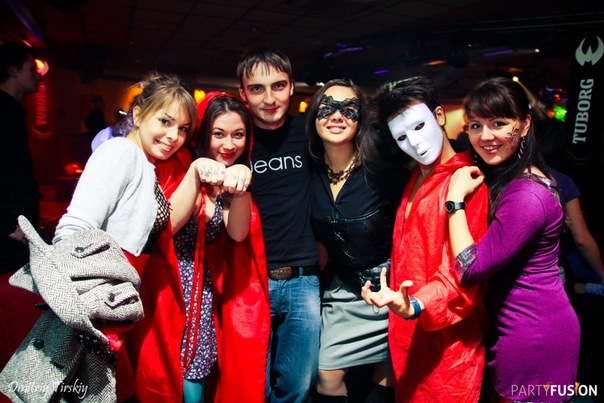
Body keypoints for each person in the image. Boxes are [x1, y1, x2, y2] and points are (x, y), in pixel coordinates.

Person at [53, 72, 199, 401]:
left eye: (183, 128)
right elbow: (75, 227)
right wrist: (78, 307)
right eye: (165, 121)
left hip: (116, 301)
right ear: (138, 115)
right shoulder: (120, 152)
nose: (174, 136)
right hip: (96, 302)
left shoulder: (144, 163)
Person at [127, 91, 270, 402]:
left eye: (238, 135)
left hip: (201, 299)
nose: (229, 144)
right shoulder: (174, 166)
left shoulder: (228, 179)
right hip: (164, 292)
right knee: (158, 376)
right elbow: (168, 226)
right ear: (204, 134)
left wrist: (242, 186)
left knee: (195, 381)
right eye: (219, 134)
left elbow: (238, 234)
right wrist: (195, 171)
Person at [446, 77, 580, 402]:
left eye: (499, 123)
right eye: (476, 125)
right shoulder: (511, 179)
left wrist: (454, 201)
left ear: (524, 125)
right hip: (521, 325)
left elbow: (469, 268)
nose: (485, 136)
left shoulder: (527, 194)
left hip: (533, 334)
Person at [361, 76, 490, 403]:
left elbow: (463, 275)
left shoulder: (467, 182)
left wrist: (416, 304)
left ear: (439, 116)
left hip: (449, 351)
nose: (415, 143)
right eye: (402, 137)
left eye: (419, 126)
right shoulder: (416, 176)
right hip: (407, 340)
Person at [306, 79, 407, 402]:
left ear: (361, 119)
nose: (337, 116)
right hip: (345, 293)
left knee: (388, 373)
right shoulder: (309, 173)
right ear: (314, 116)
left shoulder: (385, 173)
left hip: (393, 293)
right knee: (327, 374)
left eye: (348, 109)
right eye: (327, 108)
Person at [237, 46, 320, 402]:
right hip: (248, 279)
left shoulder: (310, 132)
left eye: (278, 86)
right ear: (243, 93)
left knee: (298, 388)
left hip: (304, 279)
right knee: (251, 387)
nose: (269, 98)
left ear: (291, 87)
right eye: (257, 88)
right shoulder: (235, 138)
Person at [0, 41, 42, 273]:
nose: (38, 75)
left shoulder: (12, 111)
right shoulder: (4, 113)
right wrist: (8, 224)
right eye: (31, 69)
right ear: (13, 71)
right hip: (11, 227)